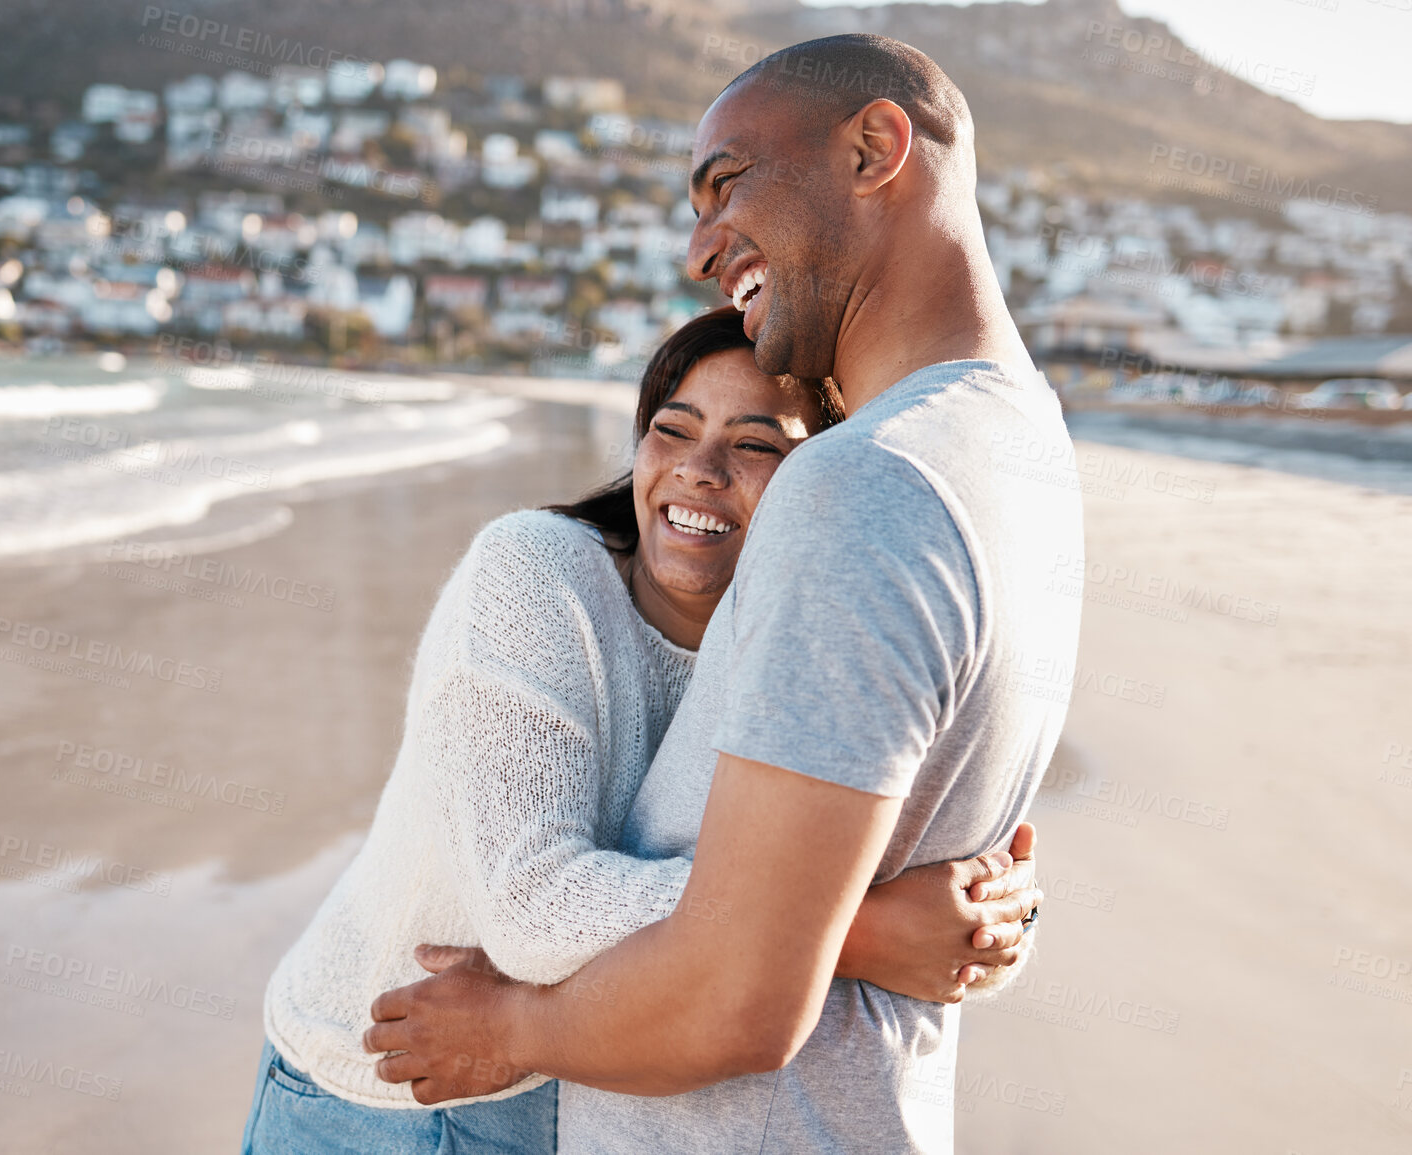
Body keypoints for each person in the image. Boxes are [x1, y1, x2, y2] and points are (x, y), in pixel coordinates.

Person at [364, 33, 1085, 1154]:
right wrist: (874, 926)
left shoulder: (868, 484)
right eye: (674, 432)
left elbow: (735, 1000)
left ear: (875, 147)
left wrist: (509, 1027)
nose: (702, 247)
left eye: (725, 184)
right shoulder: (1019, 446)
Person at [242, 307, 1044, 1154]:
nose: (698, 470)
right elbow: (532, 907)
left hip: (583, 1082)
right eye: (673, 430)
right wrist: (863, 930)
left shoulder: (809, 644)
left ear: (821, 484)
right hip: (389, 1085)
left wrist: (993, 931)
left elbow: (943, 887)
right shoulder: (532, 573)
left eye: (755, 444)